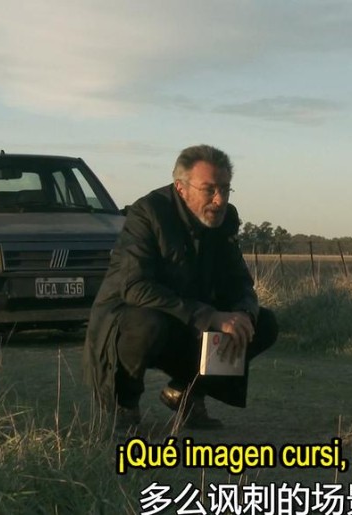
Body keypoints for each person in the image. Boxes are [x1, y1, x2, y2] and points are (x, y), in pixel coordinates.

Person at [84, 144, 278, 431]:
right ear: (181, 188)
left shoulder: (225, 219)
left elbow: (240, 281)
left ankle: (187, 393)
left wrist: (243, 314)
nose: (219, 199)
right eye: (209, 190)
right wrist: (209, 316)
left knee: (262, 324)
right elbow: (134, 287)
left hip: (190, 319)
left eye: (225, 189)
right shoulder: (148, 213)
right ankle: (123, 405)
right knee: (148, 323)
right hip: (133, 320)